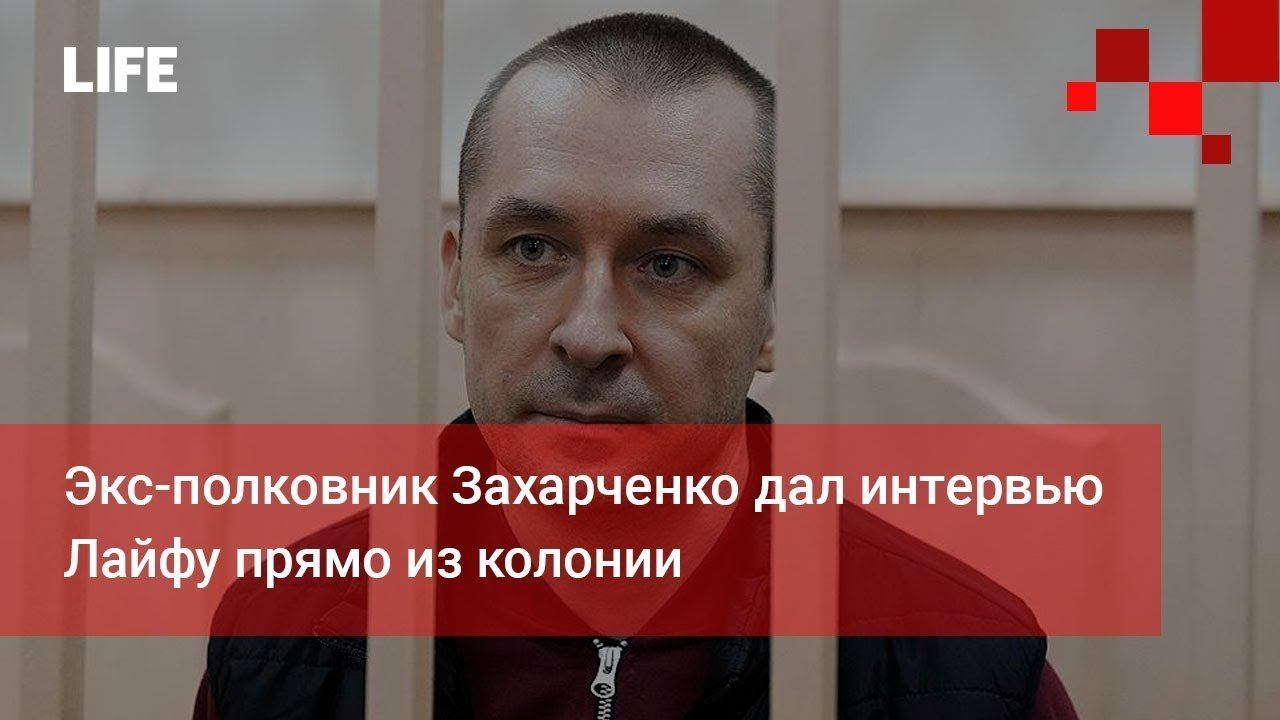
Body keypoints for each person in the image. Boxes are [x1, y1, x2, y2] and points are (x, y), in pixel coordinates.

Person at [195, 12, 1078, 719]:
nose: (590, 335)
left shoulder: (965, 669)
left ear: (776, 311)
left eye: (668, 264)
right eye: (533, 248)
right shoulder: (285, 643)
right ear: (456, 284)